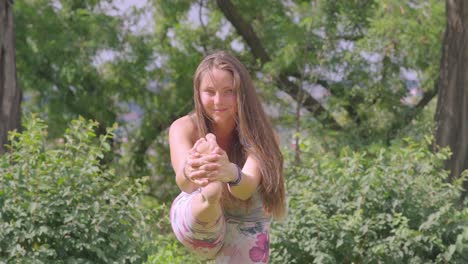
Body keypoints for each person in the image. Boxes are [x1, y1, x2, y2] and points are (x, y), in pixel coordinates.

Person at [169, 51, 285, 263]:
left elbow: (246, 188)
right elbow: (184, 184)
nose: (218, 101)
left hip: (246, 225)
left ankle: (210, 194)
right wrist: (191, 167)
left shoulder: (263, 135)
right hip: (199, 226)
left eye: (228, 91)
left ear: (242, 93)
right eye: (209, 92)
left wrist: (230, 172)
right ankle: (209, 197)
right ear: (198, 92)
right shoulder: (183, 128)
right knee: (200, 197)